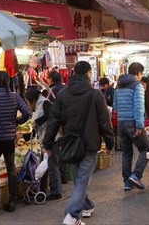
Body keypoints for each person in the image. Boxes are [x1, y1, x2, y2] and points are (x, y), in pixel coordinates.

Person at [43, 61, 114, 225]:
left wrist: (47, 143)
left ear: (74, 73)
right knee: (81, 181)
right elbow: (105, 122)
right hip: (89, 144)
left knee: (79, 180)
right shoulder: (96, 95)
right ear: (89, 74)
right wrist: (109, 143)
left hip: (70, 144)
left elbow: (53, 120)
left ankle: (87, 205)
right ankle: (72, 215)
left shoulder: (62, 94)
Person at [0, 71, 32, 216]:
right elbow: (27, 112)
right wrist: (17, 121)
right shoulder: (15, 96)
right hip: (9, 138)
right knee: (11, 170)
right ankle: (11, 202)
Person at [113, 62, 149, 190]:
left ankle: (127, 182)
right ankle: (136, 175)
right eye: (141, 73)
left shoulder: (118, 86)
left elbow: (115, 106)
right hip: (133, 122)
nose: (141, 76)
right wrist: (139, 125)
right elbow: (139, 107)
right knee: (146, 149)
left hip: (121, 123)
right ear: (138, 73)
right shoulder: (137, 86)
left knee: (126, 153)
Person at [26, 86, 61, 201]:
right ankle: (42, 190)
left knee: (51, 166)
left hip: (53, 139)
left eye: (28, 101)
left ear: (33, 99)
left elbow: (49, 116)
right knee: (45, 165)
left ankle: (56, 192)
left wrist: (37, 121)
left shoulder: (45, 103)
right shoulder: (38, 106)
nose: (28, 104)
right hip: (46, 140)